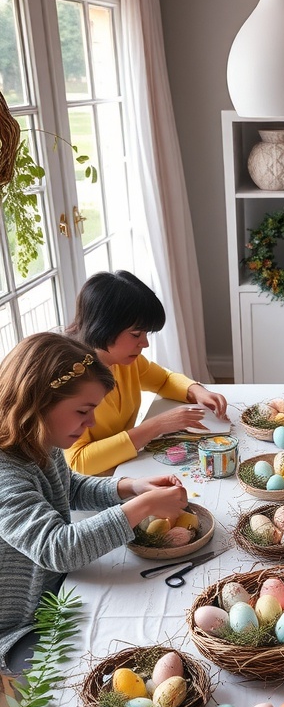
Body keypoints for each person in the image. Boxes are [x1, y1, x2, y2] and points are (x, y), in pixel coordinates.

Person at [0, 333, 191, 673]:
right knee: (86, 679)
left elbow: (68, 487)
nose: (90, 423)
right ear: (39, 401)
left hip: (63, 589)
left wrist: (130, 486)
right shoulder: (5, 474)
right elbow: (58, 548)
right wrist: (143, 507)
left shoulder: (39, 438)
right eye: (83, 411)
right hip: (20, 628)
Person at [65, 270, 228, 475]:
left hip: (129, 468)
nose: (145, 343)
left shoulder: (124, 361)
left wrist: (197, 391)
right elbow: (79, 461)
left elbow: (164, 380)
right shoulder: (71, 380)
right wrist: (157, 426)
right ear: (105, 327)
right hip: (98, 488)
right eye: (136, 335)